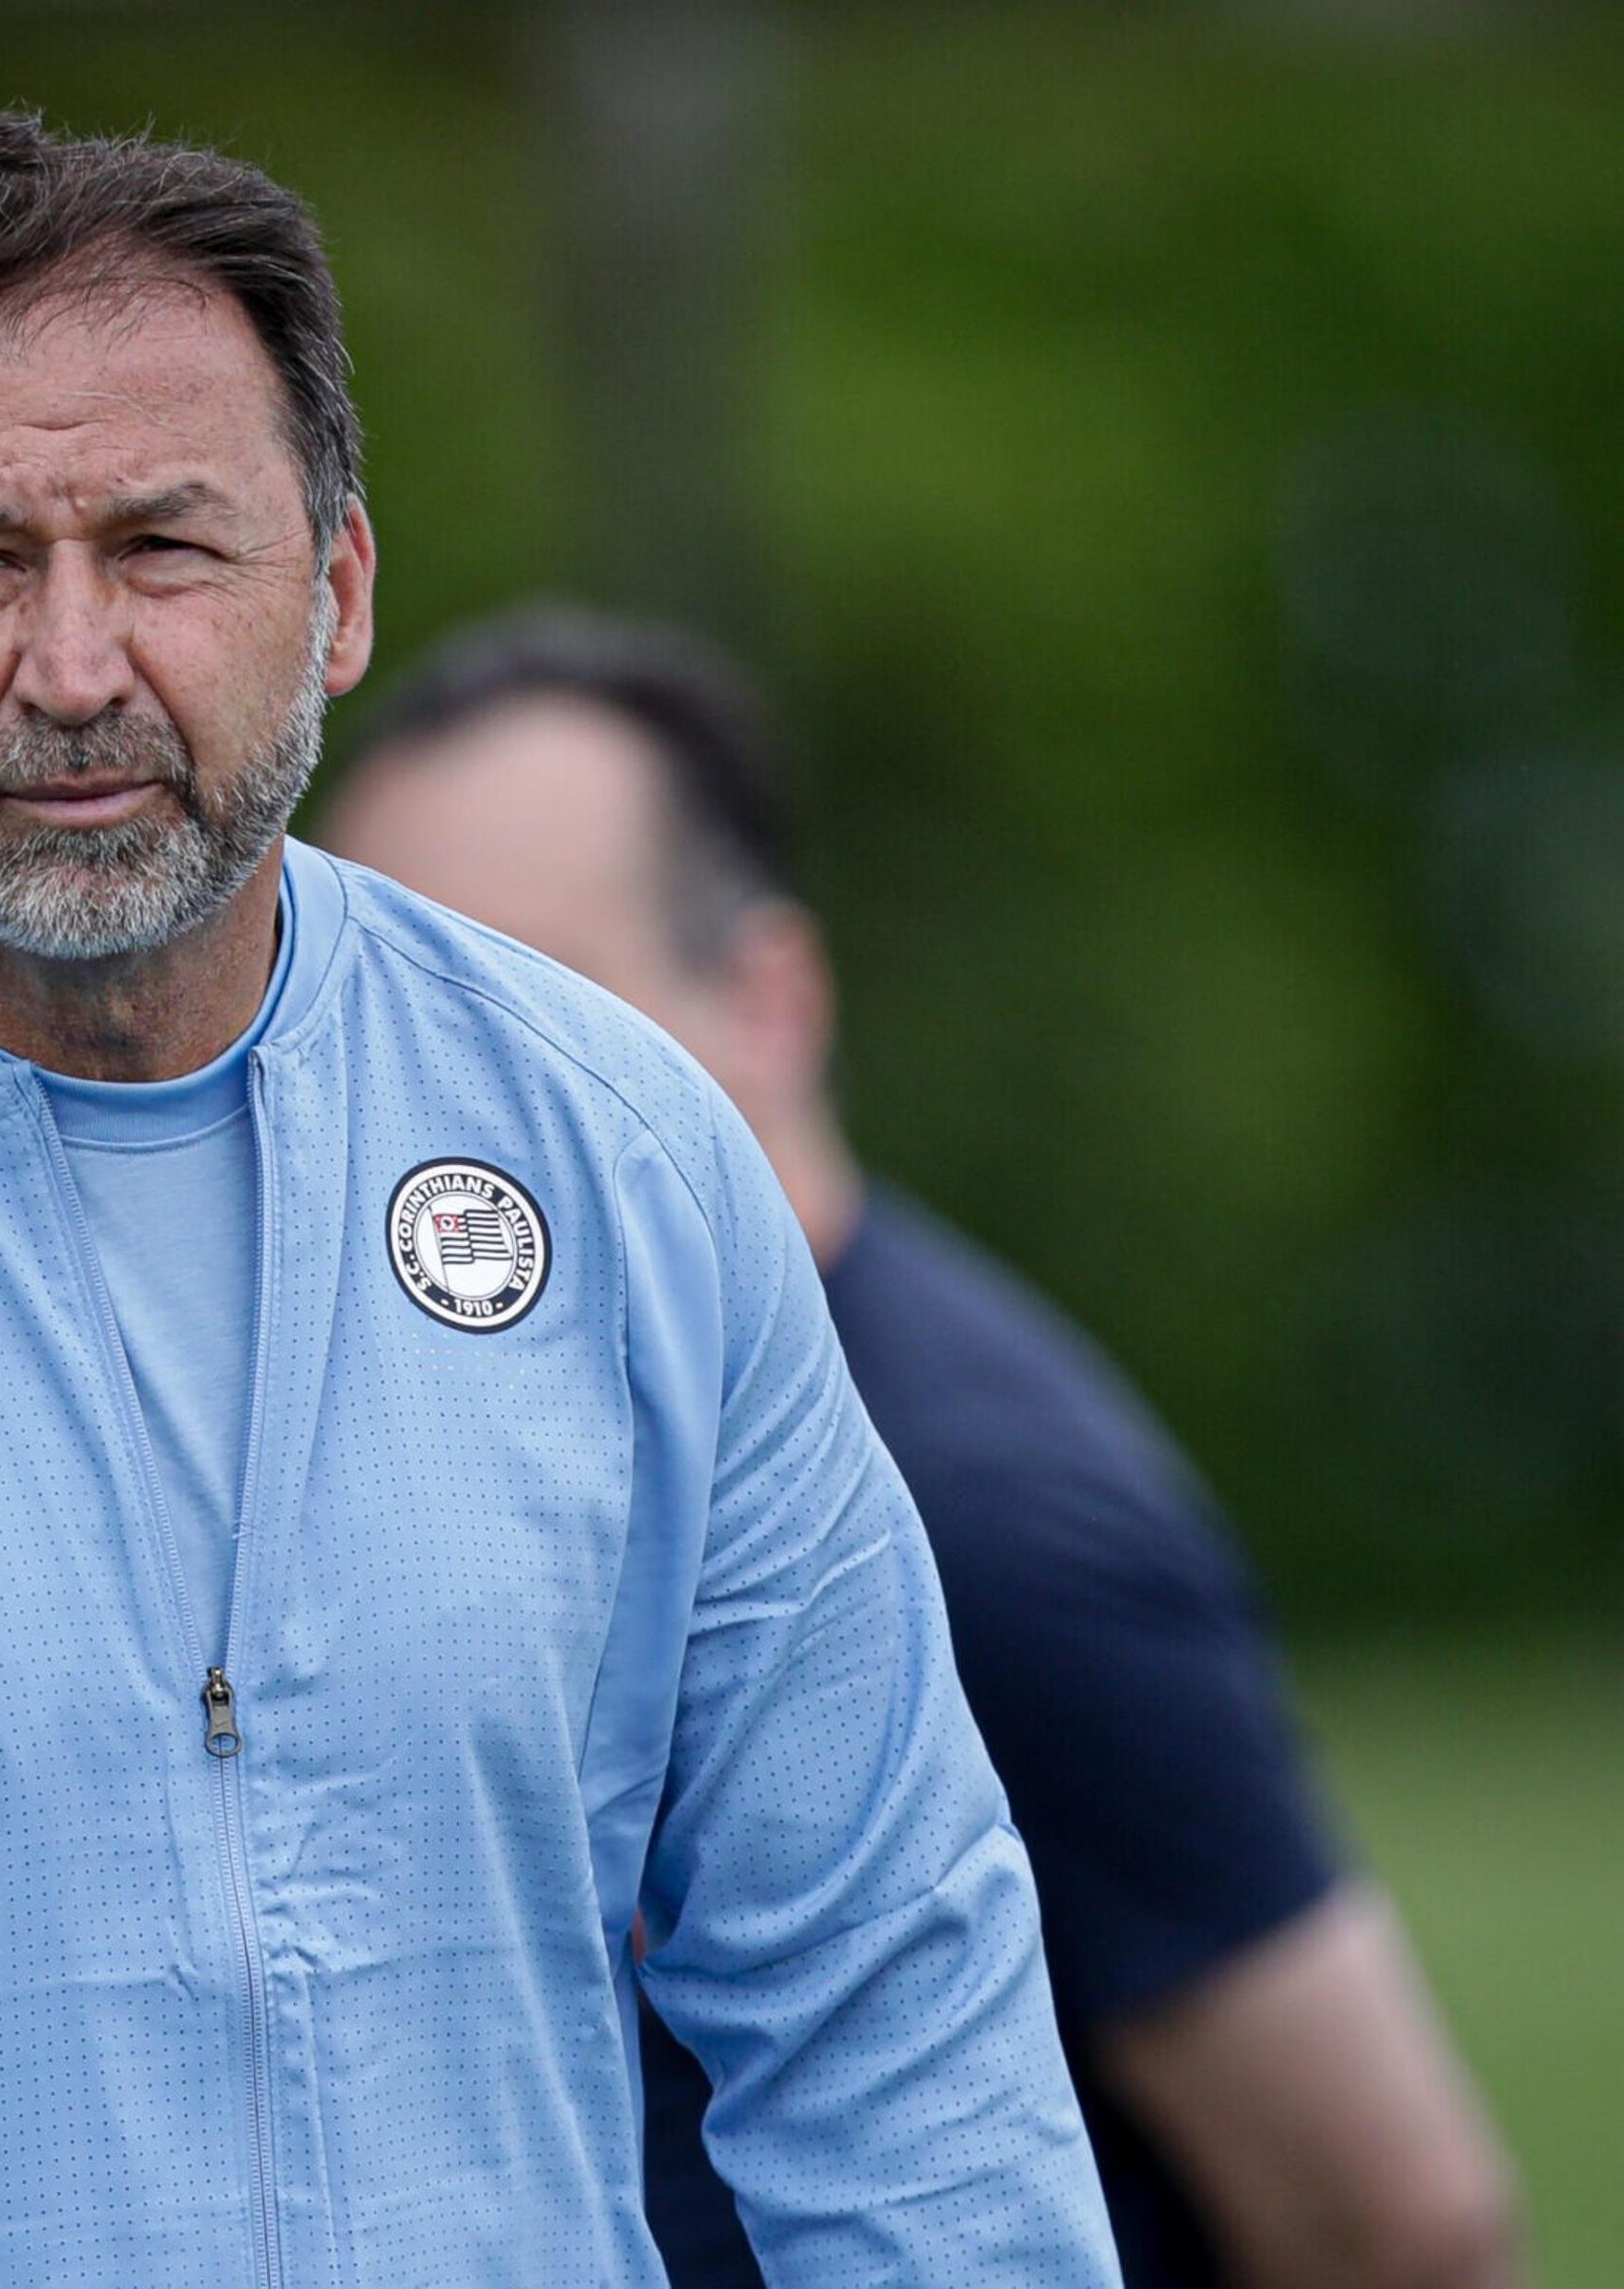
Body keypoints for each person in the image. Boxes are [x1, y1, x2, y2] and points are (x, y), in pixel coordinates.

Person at [0, 105, 1116, 2287]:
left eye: (164, 547)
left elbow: (897, 2015)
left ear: (333, 593)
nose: (72, 670)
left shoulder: (618, 1161)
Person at [324, 603, 1524, 2289]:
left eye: (549, 1004)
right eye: (404, 1018)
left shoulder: (987, 1528)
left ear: (773, 997)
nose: (464, 1096)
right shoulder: (514, 1434)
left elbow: (1406, 2222)